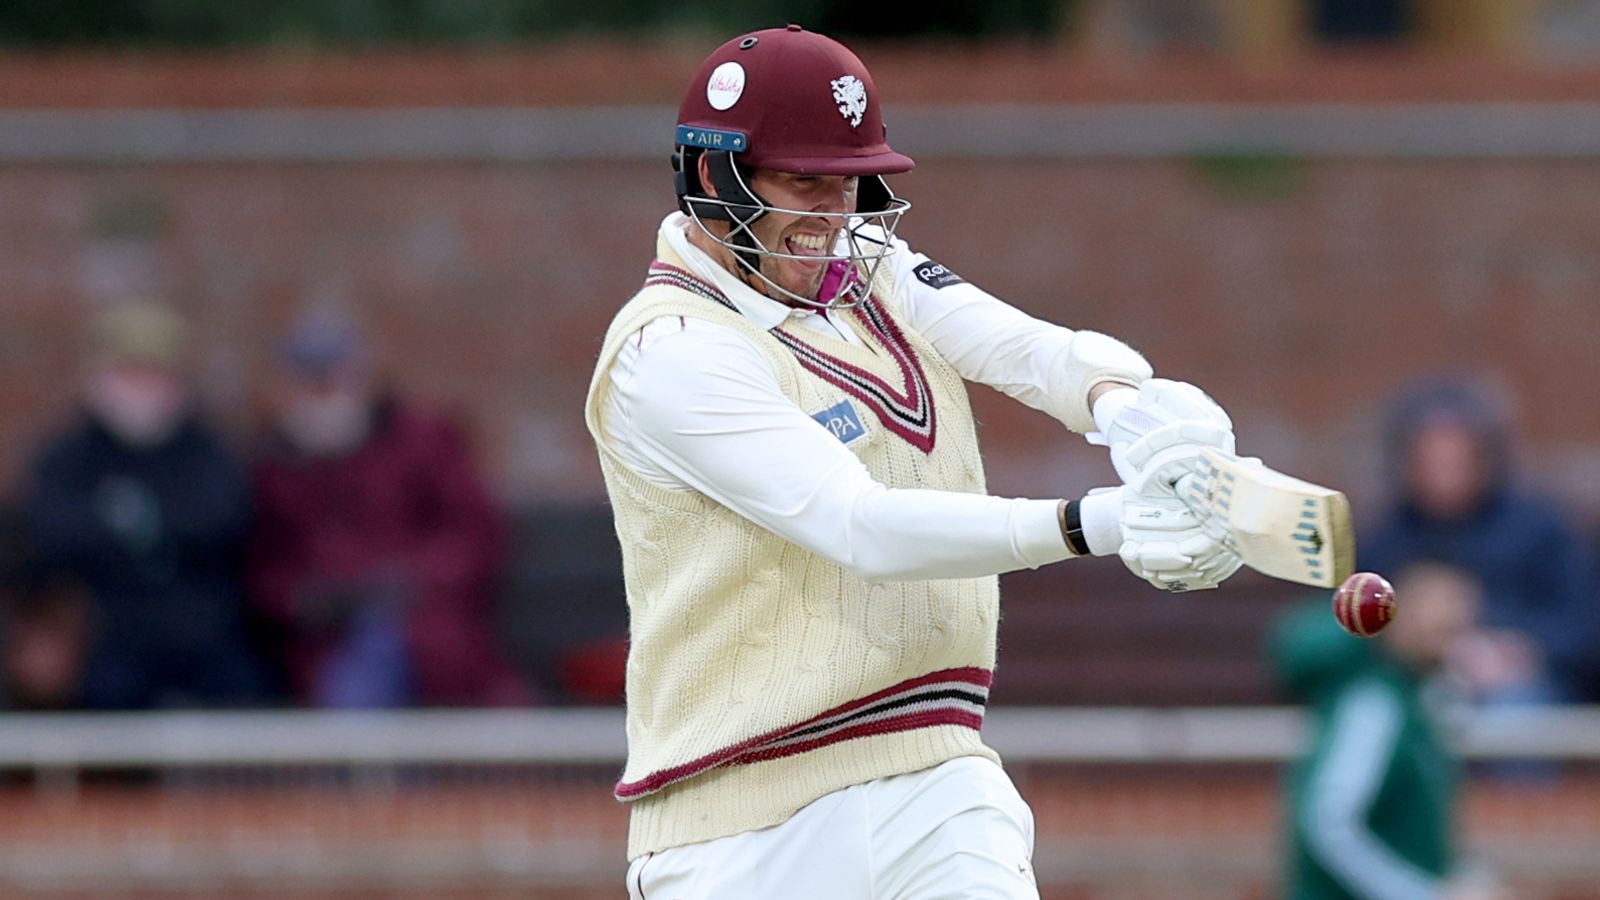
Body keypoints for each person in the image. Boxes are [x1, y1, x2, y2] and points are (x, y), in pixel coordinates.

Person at [584, 25, 1245, 898]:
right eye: (804, 183)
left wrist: (1134, 411)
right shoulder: (670, 350)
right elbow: (859, 526)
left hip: (938, 777)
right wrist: (1106, 522)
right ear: (714, 177)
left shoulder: (873, 269)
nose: (833, 215)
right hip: (740, 820)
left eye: (850, 183)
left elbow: (1028, 351)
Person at [248, 309, 525, 708]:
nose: (326, 395)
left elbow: (475, 535)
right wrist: (309, 600)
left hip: (428, 633)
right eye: (312, 383)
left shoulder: (422, 441)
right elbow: (264, 573)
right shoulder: (274, 469)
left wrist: (410, 581)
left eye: (336, 378)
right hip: (327, 646)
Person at [20, 301, 269, 709]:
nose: (142, 387)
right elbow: (51, 536)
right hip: (104, 637)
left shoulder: (207, 451)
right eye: (129, 373)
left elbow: (222, 523)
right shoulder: (66, 456)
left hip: (207, 637)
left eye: (154, 373)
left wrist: (125, 526)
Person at [1270, 562, 1504, 900]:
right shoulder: (1374, 703)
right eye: (1441, 622)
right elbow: (1329, 823)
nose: (1454, 629)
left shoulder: (1419, 700)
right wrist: (1423, 894)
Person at [1361, 376, 1598, 708]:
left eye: (1456, 461)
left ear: (1485, 459)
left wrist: (1512, 647)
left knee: (1516, 708)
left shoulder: (1541, 529)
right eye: (1430, 463)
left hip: (1524, 687)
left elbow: (1582, 630)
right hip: (1413, 686)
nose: (1444, 477)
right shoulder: (1387, 537)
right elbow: (1353, 634)